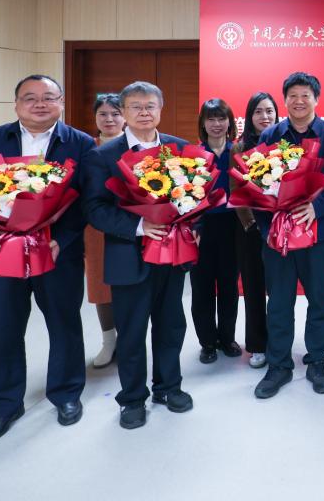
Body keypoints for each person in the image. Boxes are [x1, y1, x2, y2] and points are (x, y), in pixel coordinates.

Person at [0, 75, 94, 444]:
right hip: (1, 255)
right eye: (30, 98)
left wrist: (62, 238)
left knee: (64, 325)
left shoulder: (80, 143)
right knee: (4, 329)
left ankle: (66, 394)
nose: (39, 104)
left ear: (61, 102)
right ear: (16, 104)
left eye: (48, 97)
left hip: (58, 255)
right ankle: (4, 406)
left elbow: (87, 199)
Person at [83, 81, 192, 429]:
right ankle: (131, 398)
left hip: (172, 254)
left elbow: (196, 196)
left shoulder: (180, 149)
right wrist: (139, 226)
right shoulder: (104, 156)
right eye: (136, 107)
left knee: (171, 325)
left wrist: (193, 224)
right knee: (131, 332)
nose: (144, 113)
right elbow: (95, 209)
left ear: (160, 109)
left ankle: (168, 387)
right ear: (124, 112)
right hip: (127, 256)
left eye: (150, 106)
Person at [252, 73, 324, 399]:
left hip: (318, 235)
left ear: (316, 99)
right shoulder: (270, 135)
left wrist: (316, 208)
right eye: (293, 95)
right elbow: (255, 183)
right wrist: (268, 228)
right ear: (284, 99)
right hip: (278, 238)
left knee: (320, 300)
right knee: (279, 302)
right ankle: (279, 365)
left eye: (305, 95)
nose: (299, 101)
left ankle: (318, 361)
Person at [189, 99, 242, 365]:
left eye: (222, 118)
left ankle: (227, 338)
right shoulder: (192, 154)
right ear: (203, 123)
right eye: (211, 119)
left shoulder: (238, 152)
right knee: (202, 288)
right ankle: (208, 342)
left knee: (230, 285)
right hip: (201, 228)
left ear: (230, 122)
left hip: (233, 226)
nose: (217, 124)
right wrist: (193, 226)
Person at [234, 93, 277, 369]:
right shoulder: (239, 148)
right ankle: (257, 345)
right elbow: (235, 189)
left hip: (281, 226)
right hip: (250, 228)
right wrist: (252, 223)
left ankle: (279, 341)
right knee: (253, 287)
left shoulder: (284, 144)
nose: (265, 117)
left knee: (280, 289)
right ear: (250, 116)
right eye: (259, 111)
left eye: (270, 111)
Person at [85, 93, 123, 369]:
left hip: (133, 225)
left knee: (131, 286)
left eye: (115, 113)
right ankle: (108, 341)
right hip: (96, 227)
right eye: (103, 114)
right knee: (100, 285)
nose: (109, 119)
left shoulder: (134, 145)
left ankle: (130, 339)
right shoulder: (86, 148)